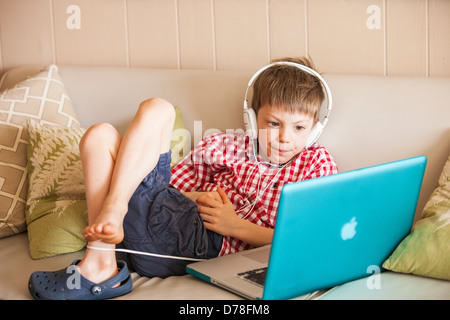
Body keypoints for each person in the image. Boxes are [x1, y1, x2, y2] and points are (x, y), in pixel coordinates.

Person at [28, 57, 338, 300]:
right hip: (165, 224)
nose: (285, 138)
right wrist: (200, 198)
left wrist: (235, 226)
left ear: (315, 127)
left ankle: (106, 239)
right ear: (252, 117)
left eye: (299, 128)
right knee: (100, 135)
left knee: (155, 110)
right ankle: (104, 252)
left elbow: (311, 239)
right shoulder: (226, 146)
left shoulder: (315, 163)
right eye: (273, 123)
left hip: (203, 242)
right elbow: (169, 190)